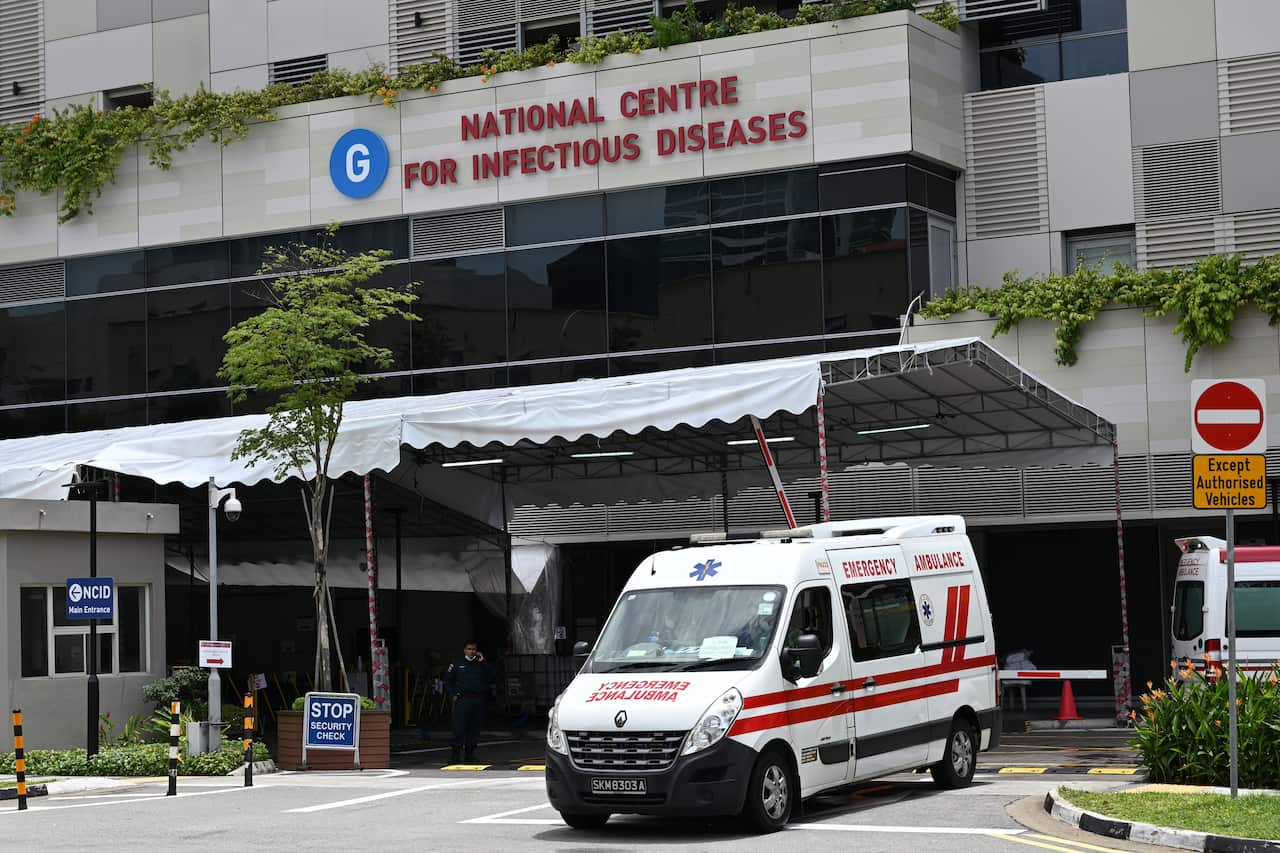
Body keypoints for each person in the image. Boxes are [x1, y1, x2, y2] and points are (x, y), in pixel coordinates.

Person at [444, 641, 494, 763]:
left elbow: (492, 675)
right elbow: (448, 680)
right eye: (469, 649)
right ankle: (455, 755)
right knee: (459, 727)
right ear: (465, 650)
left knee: (474, 728)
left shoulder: (480, 663)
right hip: (463, 699)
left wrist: (483, 661)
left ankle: (470, 754)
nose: (471, 651)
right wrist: (452, 694)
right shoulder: (457, 663)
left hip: (477, 699)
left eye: (474, 649)